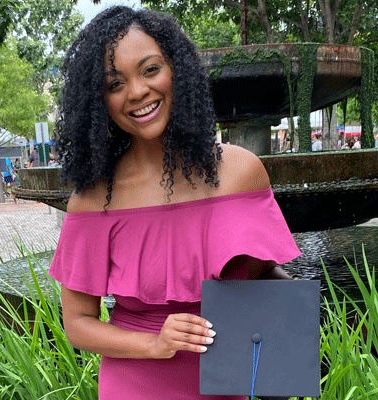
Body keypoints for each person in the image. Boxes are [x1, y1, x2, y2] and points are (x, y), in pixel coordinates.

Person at [49, 7, 301, 400]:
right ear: (100, 101)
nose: (137, 92)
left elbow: (263, 276)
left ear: (177, 70)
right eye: (115, 84)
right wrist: (155, 344)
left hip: (227, 377)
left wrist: (292, 320)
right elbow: (78, 322)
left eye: (150, 70)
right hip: (135, 382)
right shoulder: (94, 199)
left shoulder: (240, 172)